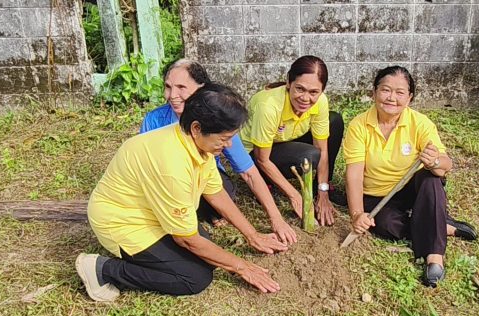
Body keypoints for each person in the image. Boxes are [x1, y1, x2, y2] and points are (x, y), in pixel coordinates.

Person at [76, 84, 288, 302]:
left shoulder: (195, 144)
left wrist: (253, 235)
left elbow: (215, 193)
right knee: (194, 277)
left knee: (206, 251)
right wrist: (242, 267)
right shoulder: (172, 166)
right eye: (224, 138)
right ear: (197, 128)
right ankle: (103, 269)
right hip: (121, 221)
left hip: (153, 212)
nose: (229, 144)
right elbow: (186, 240)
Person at [343, 66, 476, 287]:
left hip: (412, 189)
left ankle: (434, 256)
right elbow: (354, 174)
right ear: (374, 92)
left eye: (399, 92)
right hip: (376, 194)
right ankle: (439, 224)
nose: (391, 98)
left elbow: (446, 165)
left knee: (431, 178)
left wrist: (434, 161)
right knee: (384, 225)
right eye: (385, 90)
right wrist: (357, 213)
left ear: (409, 97)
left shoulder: (420, 123)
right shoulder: (359, 125)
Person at [141, 59, 296, 245]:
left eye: (182, 87)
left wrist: (276, 218)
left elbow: (248, 171)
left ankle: (205, 212)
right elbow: (147, 169)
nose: (172, 95)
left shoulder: (217, 119)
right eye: (168, 86)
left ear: (201, 90)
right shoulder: (154, 121)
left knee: (220, 193)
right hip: (170, 182)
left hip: (207, 181)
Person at [239, 55, 345, 227]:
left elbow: (323, 149)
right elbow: (261, 158)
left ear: (322, 91)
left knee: (334, 122)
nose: (305, 98)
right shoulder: (269, 106)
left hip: (287, 140)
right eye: (300, 89)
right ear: (289, 82)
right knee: (309, 155)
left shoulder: (321, 103)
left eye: (313, 92)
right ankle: (266, 183)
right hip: (256, 156)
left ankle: (320, 185)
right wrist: (295, 197)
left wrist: (322, 192)